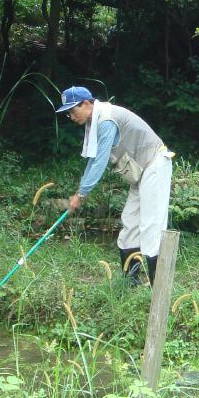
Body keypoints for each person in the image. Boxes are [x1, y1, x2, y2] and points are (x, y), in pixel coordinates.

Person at [56, 86, 173, 284]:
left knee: (151, 225)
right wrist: (81, 191)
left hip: (155, 164)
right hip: (141, 171)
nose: (71, 116)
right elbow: (93, 160)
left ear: (86, 104)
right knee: (130, 221)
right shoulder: (94, 121)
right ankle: (131, 283)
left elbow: (100, 162)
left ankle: (159, 287)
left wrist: (81, 194)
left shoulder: (106, 120)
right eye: (68, 113)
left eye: (72, 110)